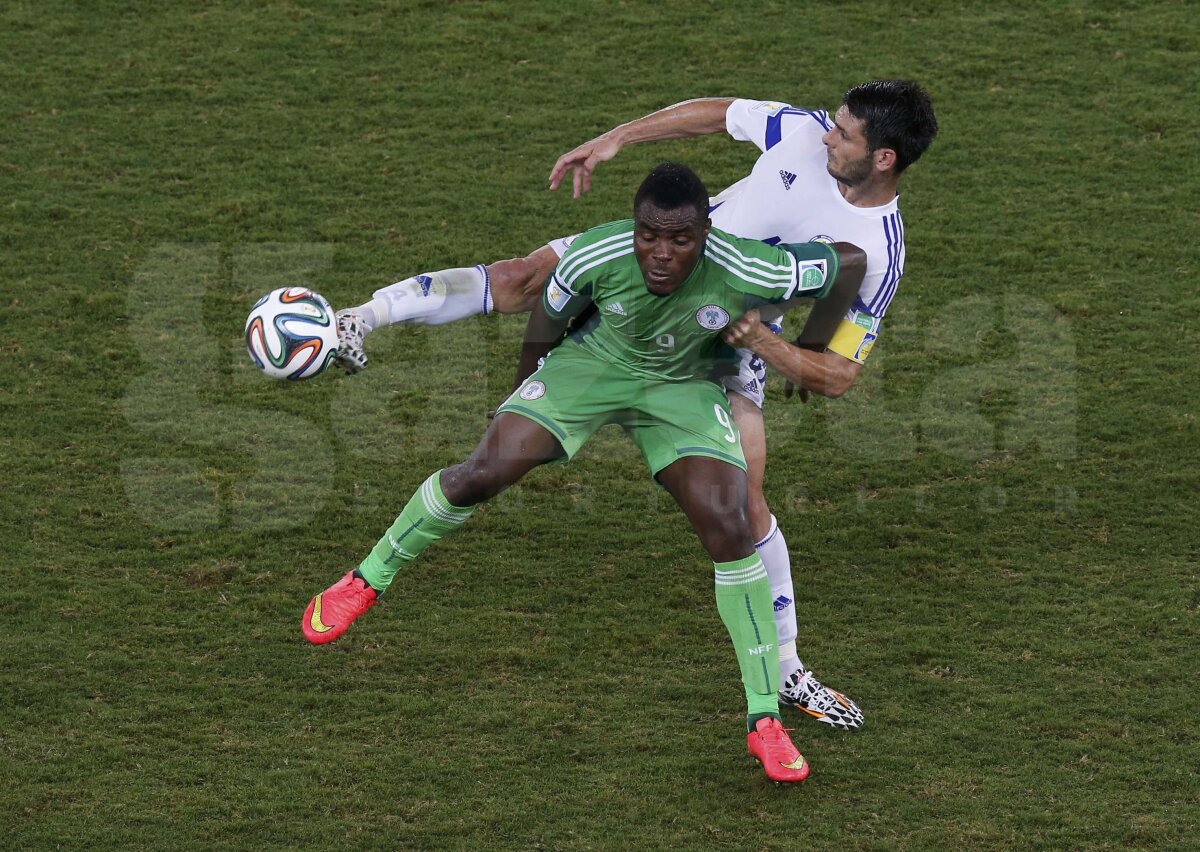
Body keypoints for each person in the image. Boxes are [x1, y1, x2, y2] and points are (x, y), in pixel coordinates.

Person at [334, 81, 938, 730]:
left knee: (744, 503)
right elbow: (720, 114)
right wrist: (619, 136)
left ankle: (786, 668)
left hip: (720, 335)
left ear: (884, 158)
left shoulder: (880, 249)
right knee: (519, 278)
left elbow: (839, 371)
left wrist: (784, 348)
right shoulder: (800, 130)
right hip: (652, 263)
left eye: (843, 133)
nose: (825, 134)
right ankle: (357, 319)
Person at [304, 162, 867, 782]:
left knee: (730, 525)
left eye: (680, 240)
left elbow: (848, 262)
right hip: (591, 367)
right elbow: (547, 321)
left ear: (706, 234)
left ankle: (764, 719)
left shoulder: (750, 266)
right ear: (634, 228)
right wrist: (522, 396)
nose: (661, 254)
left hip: (682, 386)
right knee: (483, 472)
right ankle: (366, 578)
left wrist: (812, 348)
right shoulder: (596, 252)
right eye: (648, 236)